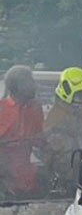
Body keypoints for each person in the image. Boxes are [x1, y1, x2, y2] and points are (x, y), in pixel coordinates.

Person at [0, 65, 44, 196]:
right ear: (19, 87)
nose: (35, 86)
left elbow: (40, 141)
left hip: (28, 178)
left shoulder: (35, 108)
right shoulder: (2, 109)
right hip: (5, 178)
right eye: (31, 82)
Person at [42, 67, 82, 190]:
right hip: (68, 186)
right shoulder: (56, 117)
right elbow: (56, 154)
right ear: (67, 92)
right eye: (79, 95)